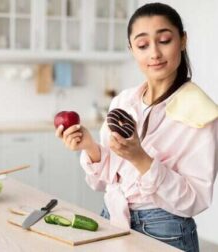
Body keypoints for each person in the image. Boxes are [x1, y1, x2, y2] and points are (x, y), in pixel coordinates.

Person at [55, 2, 218, 251]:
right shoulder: (124, 101)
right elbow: (103, 182)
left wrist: (141, 159)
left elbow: (195, 200)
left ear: (182, 40)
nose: (154, 53)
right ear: (132, 49)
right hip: (112, 217)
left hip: (165, 230)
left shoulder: (201, 112)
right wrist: (89, 146)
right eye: (142, 45)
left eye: (164, 40)